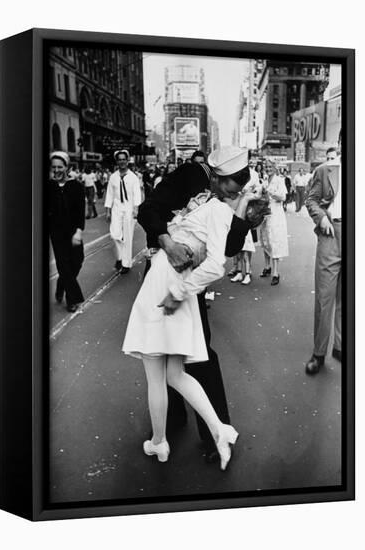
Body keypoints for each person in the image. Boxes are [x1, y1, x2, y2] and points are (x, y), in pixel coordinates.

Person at [124, 146, 256, 469]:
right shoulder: (190, 175)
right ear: (217, 175)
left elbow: (228, 246)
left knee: (196, 354)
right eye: (229, 185)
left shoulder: (230, 199)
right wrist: (168, 243)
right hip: (166, 267)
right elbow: (148, 210)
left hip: (189, 280)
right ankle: (171, 422)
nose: (232, 191)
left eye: (239, 188)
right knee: (166, 360)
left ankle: (210, 433)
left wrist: (244, 219)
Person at [304, 141, 342, 375]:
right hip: (331, 233)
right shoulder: (325, 170)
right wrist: (322, 218)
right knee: (325, 297)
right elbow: (311, 200)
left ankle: (340, 346)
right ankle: (319, 353)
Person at [48, 151, 85, 313]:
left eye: (60, 167)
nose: (56, 170)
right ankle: (72, 299)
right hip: (56, 233)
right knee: (63, 264)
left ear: (67, 168)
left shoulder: (76, 186)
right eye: (54, 167)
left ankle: (61, 283)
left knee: (77, 261)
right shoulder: (48, 186)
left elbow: (80, 211)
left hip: (73, 231)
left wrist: (78, 231)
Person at [105, 150, 142, 274]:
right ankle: (120, 257)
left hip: (129, 209)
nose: (121, 161)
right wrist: (108, 211)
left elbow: (137, 194)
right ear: (117, 161)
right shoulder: (113, 177)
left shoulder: (133, 177)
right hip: (116, 208)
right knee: (114, 234)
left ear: (127, 161)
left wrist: (136, 209)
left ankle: (126, 263)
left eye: (123, 159)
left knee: (127, 237)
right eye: (119, 159)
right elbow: (109, 194)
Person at [259, 160, 289, 285]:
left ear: (275, 168)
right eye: (266, 166)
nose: (268, 168)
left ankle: (276, 272)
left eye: (270, 167)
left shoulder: (279, 180)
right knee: (265, 240)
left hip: (276, 215)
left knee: (275, 241)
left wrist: (270, 192)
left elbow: (283, 197)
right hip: (265, 214)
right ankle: (267, 266)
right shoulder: (265, 179)